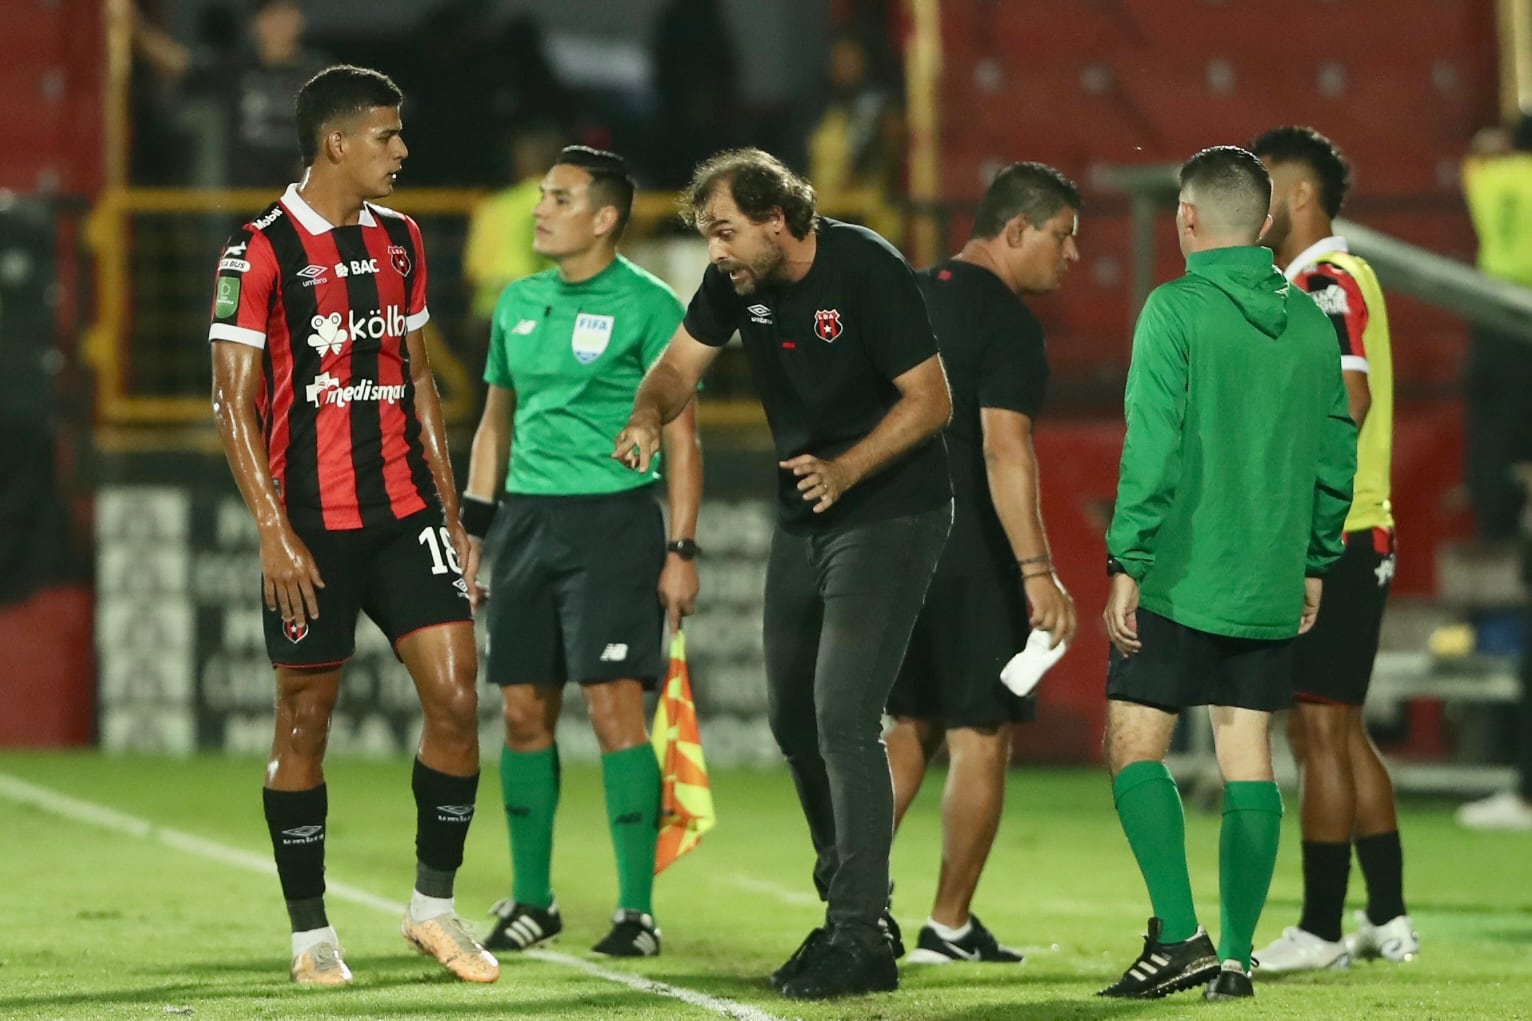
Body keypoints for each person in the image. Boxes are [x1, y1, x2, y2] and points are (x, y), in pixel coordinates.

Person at [613, 148, 953, 999]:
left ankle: (857, 933)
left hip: (889, 509)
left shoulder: (865, 266)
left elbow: (931, 399)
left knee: (843, 715)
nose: (714, 251)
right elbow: (675, 371)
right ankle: (854, 908)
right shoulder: (735, 284)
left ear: (777, 219)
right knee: (791, 715)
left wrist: (846, 469)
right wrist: (648, 417)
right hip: (806, 515)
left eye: (724, 231)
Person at [207, 64, 498, 987]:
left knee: (456, 695)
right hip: (311, 526)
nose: (402, 150)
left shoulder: (404, 241)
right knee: (306, 720)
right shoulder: (256, 251)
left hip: (404, 508)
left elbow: (418, 382)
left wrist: (451, 515)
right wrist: (271, 531)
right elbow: (231, 404)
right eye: (387, 134)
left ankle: (433, 909)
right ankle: (310, 933)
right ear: (337, 141)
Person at [1098, 145, 1357, 1002]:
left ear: (1188, 217)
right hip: (1268, 575)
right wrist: (1316, 559)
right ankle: (1240, 958)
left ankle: (1179, 934)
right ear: (1269, 221)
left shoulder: (1173, 310)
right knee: (1248, 751)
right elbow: (1335, 452)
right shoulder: (1315, 321)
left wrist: (1127, 559)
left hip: (1178, 570)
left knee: (1136, 743)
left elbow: (1154, 446)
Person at [458, 145, 702, 958]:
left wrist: (682, 545)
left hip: (614, 525)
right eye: (540, 195)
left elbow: (685, 437)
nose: (538, 209)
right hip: (526, 524)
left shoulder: (651, 305)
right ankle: (535, 901)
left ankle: (637, 911)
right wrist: (474, 527)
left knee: (611, 710)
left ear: (604, 218)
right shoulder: (518, 302)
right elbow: (496, 422)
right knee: (524, 712)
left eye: (558, 198)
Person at [884, 161, 1081, 964]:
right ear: (1016, 231)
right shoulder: (1005, 322)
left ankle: (852, 902)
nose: (1071, 256)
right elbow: (1004, 448)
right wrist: (1037, 569)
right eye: (1063, 237)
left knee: (909, 727)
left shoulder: (905, 294)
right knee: (981, 732)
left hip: (895, 540)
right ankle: (950, 924)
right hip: (970, 551)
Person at [1248, 126, 1419, 973]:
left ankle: (1319, 928)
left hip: (1336, 530)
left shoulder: (1322, 280)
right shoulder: (1332, 278)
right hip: (1361, 525)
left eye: (1265, 185)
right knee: (1341, 730)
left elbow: (1346, 402)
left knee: (1318, 728)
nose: (1253, 203)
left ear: (1301, 196)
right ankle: (1385, 918)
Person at [1460, 114, 1532, 544]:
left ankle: (1495, 522)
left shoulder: (1486, 176)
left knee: (1495, 421)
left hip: (1493, 311)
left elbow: (1478, 153)